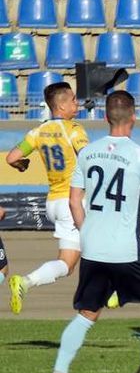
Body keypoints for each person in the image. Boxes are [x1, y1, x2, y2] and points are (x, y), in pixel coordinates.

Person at [45, 91, 140, 373]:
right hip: (127, 251)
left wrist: (85, 230)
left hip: (93, 248)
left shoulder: (88, 152)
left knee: (87, 315)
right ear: (133, 117)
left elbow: (74, 200)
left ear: (105, 118)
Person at [6, 82, 90, 314]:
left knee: (67, 263)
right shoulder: (74, 129)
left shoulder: (37, 132)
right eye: (73, 99)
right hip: (74, 202)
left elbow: (12, 157)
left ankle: (25, 282)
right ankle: (114, 290)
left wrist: (22, 165)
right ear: (61, 105)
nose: (77, 103)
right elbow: (88, 158)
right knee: (104, 243)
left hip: (53, 201)